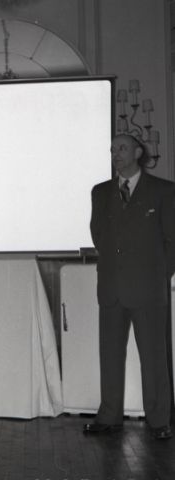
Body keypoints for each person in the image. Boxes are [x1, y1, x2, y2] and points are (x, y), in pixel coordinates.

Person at [83, 133, 175, 439]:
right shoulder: (100, 192)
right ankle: (109, 416)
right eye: (112, 149)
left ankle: (159, 422)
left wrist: (158, 274)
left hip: (149, 289)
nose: (116, 154)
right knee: (109, 357)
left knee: (154, 358)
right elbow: (99, 235)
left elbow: (172, 240)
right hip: (111, 288)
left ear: (138, 152)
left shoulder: (163, 190)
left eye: (122, 148)